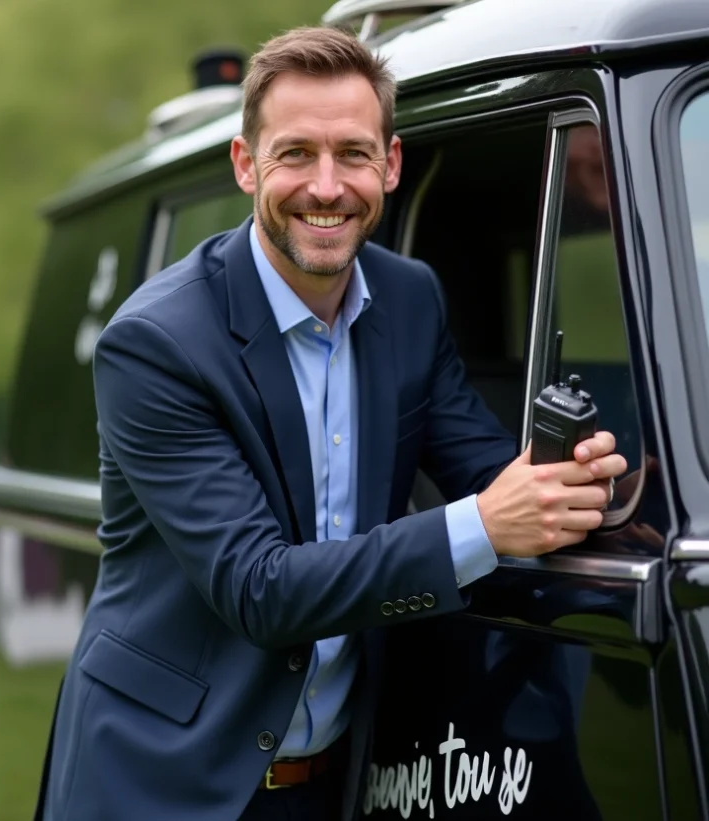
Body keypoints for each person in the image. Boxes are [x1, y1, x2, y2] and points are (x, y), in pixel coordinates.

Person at [34, 27, 627, 821]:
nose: (325, 185)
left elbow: (485, 465)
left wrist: (582, 479)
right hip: (163, 780)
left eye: (352, 153)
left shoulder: (411, 299)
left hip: (333, 781)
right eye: (294, 154)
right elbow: (259, 587)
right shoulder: (158, 343)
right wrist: (486, 525)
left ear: (390, 164)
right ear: (247, 166)